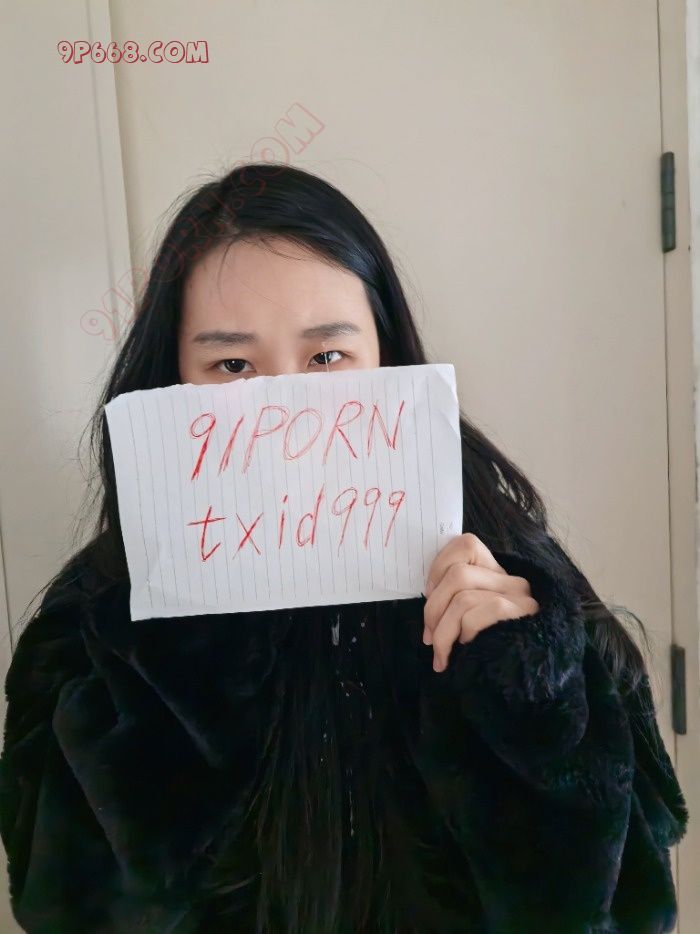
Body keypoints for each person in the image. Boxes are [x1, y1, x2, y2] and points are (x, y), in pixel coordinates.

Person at [0, 162, 688, 933]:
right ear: (174, 379)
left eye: (327, 358)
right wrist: (184, 673)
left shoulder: (510, 580)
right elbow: (63, 909)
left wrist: (530, 701)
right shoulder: (101, 618)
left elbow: (629, 910)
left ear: (386, 356)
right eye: (232, 365)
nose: (285, 411)